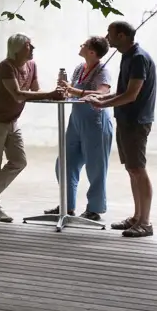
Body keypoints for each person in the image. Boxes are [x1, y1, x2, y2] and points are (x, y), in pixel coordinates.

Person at [0, 32, 58, 223]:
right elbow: (19, 95)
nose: (32, 48)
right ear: (16, 49)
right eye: (28, 45)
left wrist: (56, 93)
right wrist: (51, 94)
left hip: (12, 120)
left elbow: (35, 90)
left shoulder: (32, 65)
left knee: (19, 161)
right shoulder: (6, 66)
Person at [84, 20, 157, 238]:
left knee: (138, 169)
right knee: (132, 169)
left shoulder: (138, 58)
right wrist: (101, 98)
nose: (107, 37)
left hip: (136, 121)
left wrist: (102, 104)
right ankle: (137, 217)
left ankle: (145, 222)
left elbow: (132, 95)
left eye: (110, 33)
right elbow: (123, 91)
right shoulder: (128, 56)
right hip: (126, 120)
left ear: (122, 36)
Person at [59, 37, 113, 220]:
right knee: (64, 163)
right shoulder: (79, 68)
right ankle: (66, 205)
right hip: (76, 121)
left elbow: (102, 93)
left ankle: (95, 209)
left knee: (96, 167)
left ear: (92, 52)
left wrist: (75, 91)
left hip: (95, 122)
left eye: (84, 45)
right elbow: (71, 91)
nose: (80, 46)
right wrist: (65, 91)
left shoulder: (102, 71)